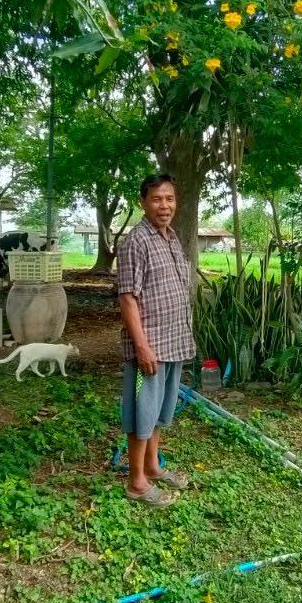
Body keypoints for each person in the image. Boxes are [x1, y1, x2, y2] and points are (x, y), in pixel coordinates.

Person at [116, 174, 194, 507]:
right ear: (143, 203)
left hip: (173, 341)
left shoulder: (171, 238)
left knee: (160, 411)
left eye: (170, 199)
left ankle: (152, 466)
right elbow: (127, 298)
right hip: (150, 348)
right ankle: (137, 482)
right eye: (157, 199)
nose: (164, 206)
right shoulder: (137, 241)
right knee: (142, 412)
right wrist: (142, 346)